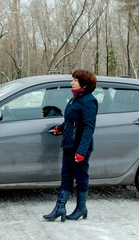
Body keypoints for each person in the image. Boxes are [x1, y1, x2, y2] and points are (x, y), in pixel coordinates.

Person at [43, 68, 98, 222]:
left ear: (84, 84)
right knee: (66, 177)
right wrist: (60, 128)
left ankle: (81, 209)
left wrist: (81, 151)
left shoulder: (89, 101)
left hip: (80, 148)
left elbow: (88, 128)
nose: (71, 82)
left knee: (81, 177)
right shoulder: (75, 98)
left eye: (75, 80)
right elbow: (71, 120)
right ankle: (60, 208)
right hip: (68, 144)